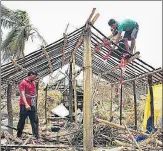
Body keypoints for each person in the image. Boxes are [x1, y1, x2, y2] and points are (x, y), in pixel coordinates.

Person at [17, 71, 39, 139]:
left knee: (35, 120)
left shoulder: (33, 82)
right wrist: (26, 104)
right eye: (35, 76)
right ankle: (19, 135)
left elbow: (33, 92)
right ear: (31, 75)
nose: (35, 78)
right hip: (24, 105)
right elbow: (22, 94)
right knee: (22, 120)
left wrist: (34, 99)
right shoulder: (23, 83)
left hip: (32, 105)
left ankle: (36, 136)